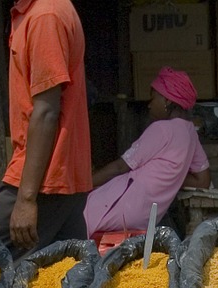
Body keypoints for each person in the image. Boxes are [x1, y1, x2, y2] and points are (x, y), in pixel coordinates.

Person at [0, 0, 92, 258]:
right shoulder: (35, 12)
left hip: (45, 177)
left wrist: (26, 199)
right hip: (57, 176)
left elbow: (46, 111)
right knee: (68, 275)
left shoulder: (46, 15)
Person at [84, 67, 211, 238]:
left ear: (166, 100)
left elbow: (120, 167)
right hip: (144, 216)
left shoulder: (161, 129)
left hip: (125, 207)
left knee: (79, 216)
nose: (149, 105)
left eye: (153, 98)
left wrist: (84, 185)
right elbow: (203, 180)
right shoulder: (190, 133)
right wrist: (171, 176)